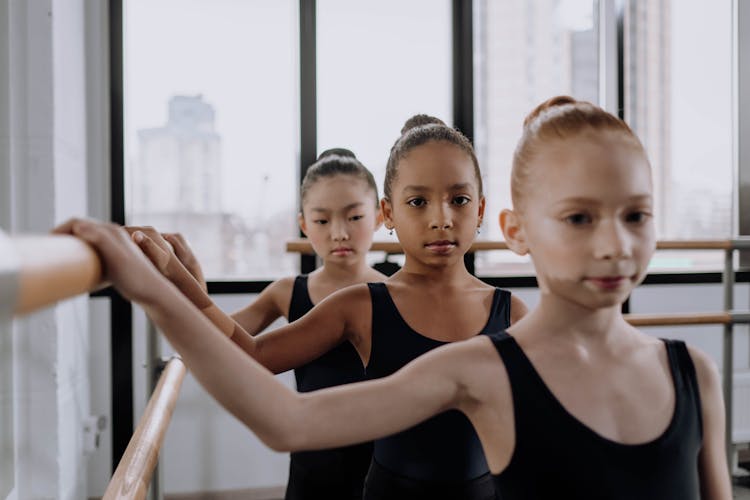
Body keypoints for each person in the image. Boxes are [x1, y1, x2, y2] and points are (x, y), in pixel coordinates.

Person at [57, 96, 730, 499]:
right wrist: (162, 288)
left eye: (636, 215)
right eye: (580, 218)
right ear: (519, 232)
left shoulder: (692, 374)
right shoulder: (488, 363)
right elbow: (278, 409)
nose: (613, 244)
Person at [124, 116, 526, 499]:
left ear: (480, 209)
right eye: (418, 201)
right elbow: (252, 354)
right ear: (388, 213)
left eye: (458, 199)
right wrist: (178, 281)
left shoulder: (512, 314)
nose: (441, 218)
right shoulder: (363, 304)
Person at [131, 149, 386, 500]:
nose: (339, 233)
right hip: (314, 459)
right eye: (323, 220)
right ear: (304, 224)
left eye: (354, 217)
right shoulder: (287, 292)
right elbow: (222, 337)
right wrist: (192, 281)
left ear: (379, 215)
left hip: (385, 458)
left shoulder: (398, 290)